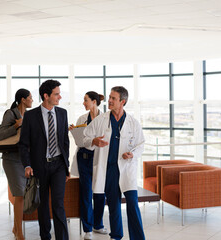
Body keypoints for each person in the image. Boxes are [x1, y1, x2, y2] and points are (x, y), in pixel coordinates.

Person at [83, 86, 146, 240]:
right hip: (109, 169)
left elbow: (141, 144)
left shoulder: (133, 123)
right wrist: (93, 141)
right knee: (113, 206)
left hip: (127, 169)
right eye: (110, 97)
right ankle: (116, 236)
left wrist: (133, 153)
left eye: (113, 98)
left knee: (132, 204)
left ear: (122, 102)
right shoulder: (101, 120)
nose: (109, 101)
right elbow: (84, 138)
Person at [19, 80, 70, 240]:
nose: (59, 97)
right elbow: (23, 144)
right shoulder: (30, 116)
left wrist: (66, 165)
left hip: (59, 166)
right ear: (46, 96)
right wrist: (27, 165)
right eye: (56, 94)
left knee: (58, 204)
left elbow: (65, 141)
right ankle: (45, 237)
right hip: (39, 166)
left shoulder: (62, 113)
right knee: (42, 206)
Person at [69, 91, 108, 240]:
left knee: (99, 193)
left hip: (99, 158)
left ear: (94, 102)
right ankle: (87, 229)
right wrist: (75, 132)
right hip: (84, 159)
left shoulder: (105, 119)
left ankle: (98, 225)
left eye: (86, 100)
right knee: (86, 194)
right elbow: (81, 140)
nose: (84, 103)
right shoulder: (82, 118)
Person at [0, 88, 33, 240]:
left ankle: (15, 227)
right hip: (11, 160)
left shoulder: (30, 115)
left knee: (23, 196)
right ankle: (19, 233)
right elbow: (0, 135)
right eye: (30, 98)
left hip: (25, 160)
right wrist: (16, 125)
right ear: (23, 99)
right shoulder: (10, 113)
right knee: (19, 195)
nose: (32, 100)